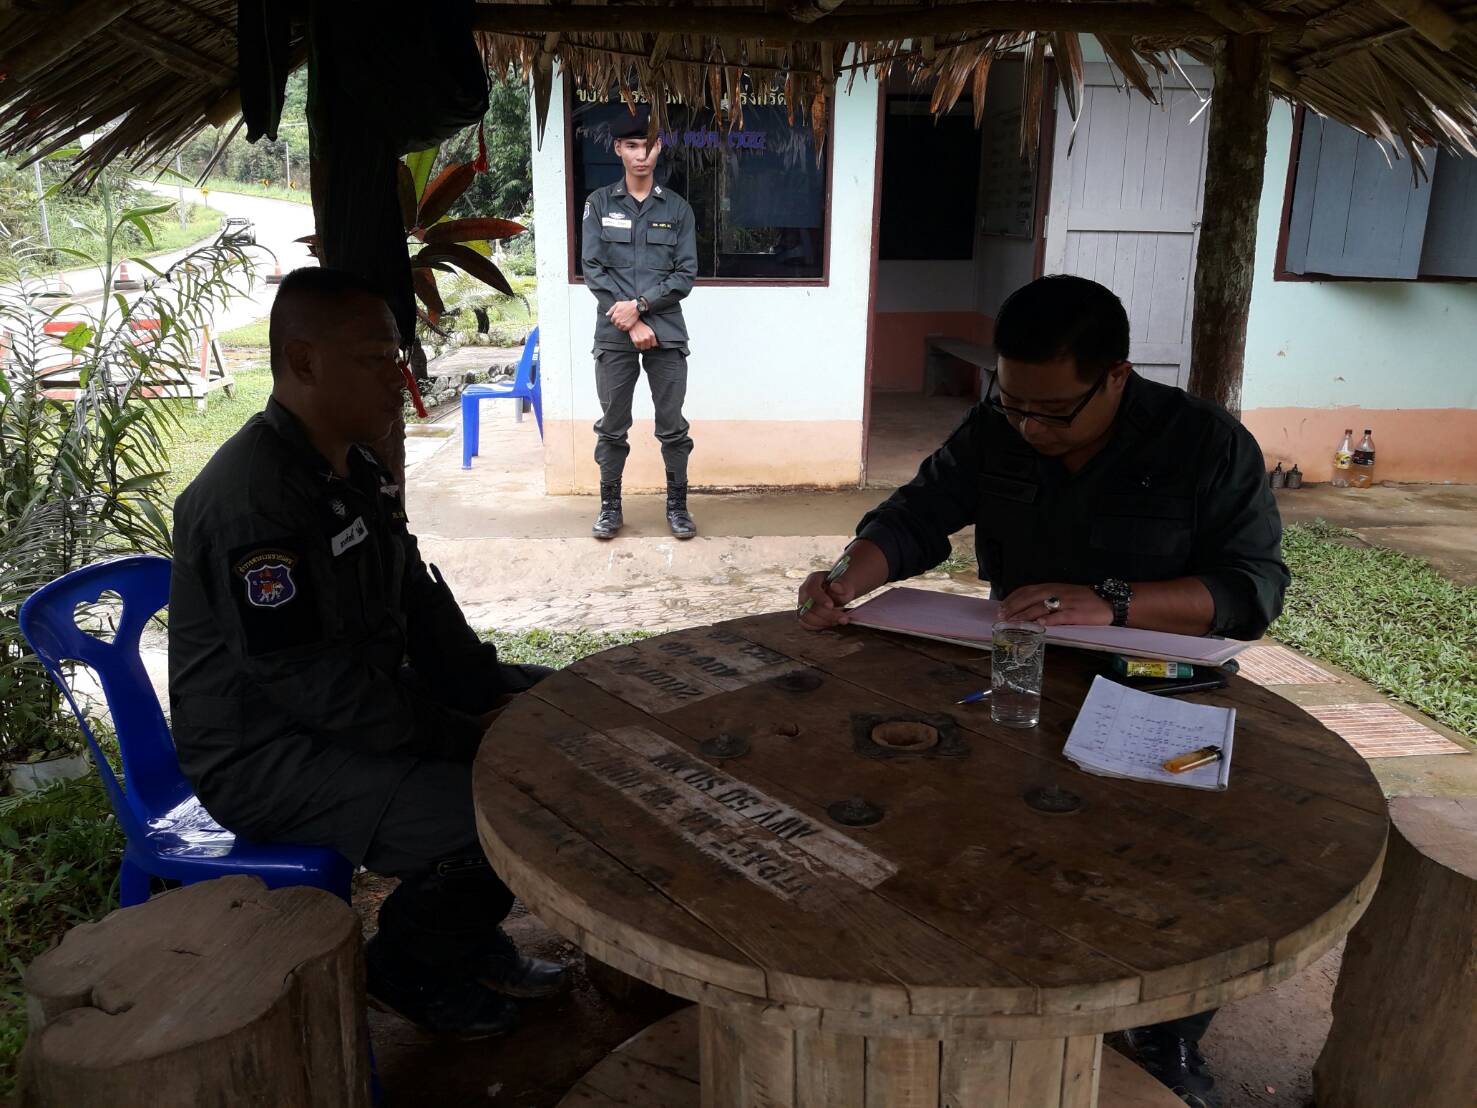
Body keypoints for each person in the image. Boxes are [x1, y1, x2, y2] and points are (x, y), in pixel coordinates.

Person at [796, 275, 1289, 1106]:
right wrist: (847, 576)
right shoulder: (999, 426)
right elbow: (915, 514)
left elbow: (1253, 590)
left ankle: (1167, 1030)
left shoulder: (1204, 444)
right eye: (1014, 402)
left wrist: (1112, 602)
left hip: (1158, 687)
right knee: (981, 820)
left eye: (1054, 411)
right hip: (1016, 670)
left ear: (1115, 376)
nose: (1029, 426)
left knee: (1170, 858)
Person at [169, 267, 566, 1037]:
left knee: (562, 710)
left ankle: (460, 936)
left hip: (355, 706)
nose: (400, 375)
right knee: (494, 815)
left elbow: (417, 599)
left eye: (399, 354)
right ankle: (409, 965)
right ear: (304, 362)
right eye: (376, 357)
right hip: (267, 755)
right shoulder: (253, 501)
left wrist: (486, 688)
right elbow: (310, 685)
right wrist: (466, 734)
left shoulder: (354, 465)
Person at [581, 106, 699, 540]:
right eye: (631, 145)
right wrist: (630, 321)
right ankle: (610, 508)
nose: (641, 154)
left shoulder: (678, 209)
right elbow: (593, 268)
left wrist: (642, 306)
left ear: (659, 147)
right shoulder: (598, 204)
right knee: (612, 427)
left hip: (666, 332)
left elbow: (685, 274)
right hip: (614, 334)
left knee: (673, 427)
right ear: (618, 149)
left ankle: (678, 507)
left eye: (648, 145)